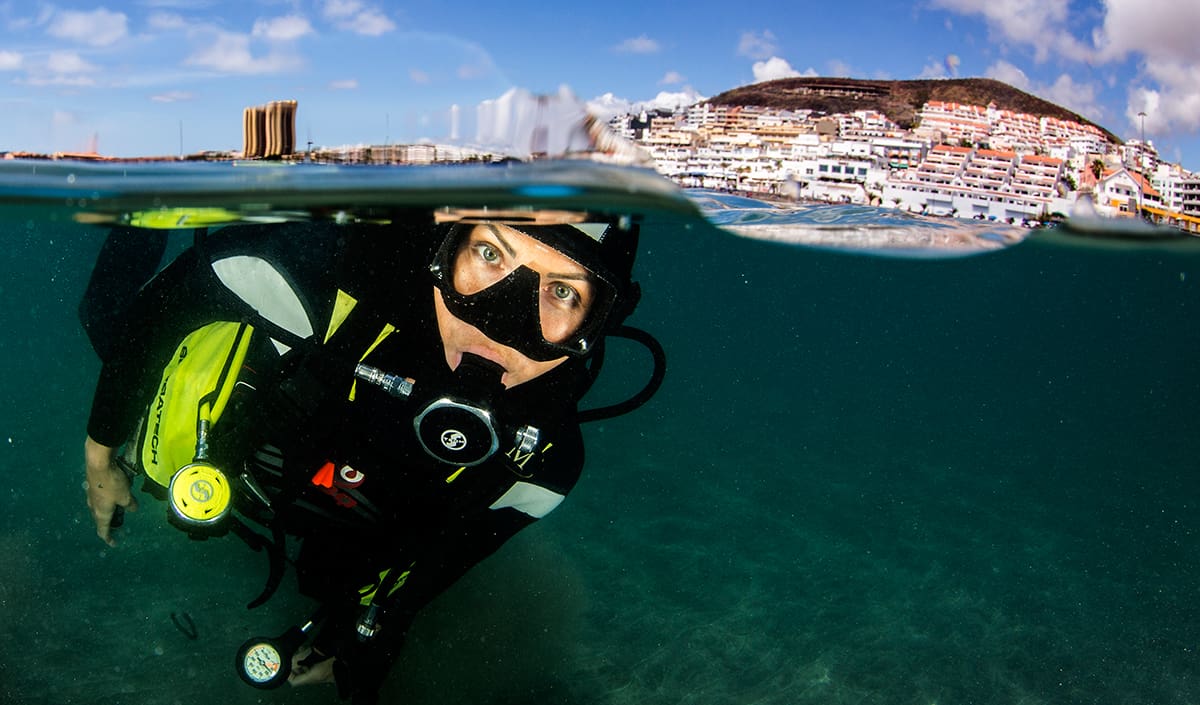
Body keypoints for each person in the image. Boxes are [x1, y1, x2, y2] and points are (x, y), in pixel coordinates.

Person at [80, 209, 659, 703]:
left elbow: (440, 561)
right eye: (490, 253)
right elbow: (195, 282)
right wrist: (101, 457)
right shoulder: (323, 276)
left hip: (338, 480)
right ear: (445, 243)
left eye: (562, 291)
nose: (500, 322)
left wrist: (357, 631)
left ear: (600, 321)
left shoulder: (543, 466)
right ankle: (140, 204)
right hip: (288, 388)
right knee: (111, 329)